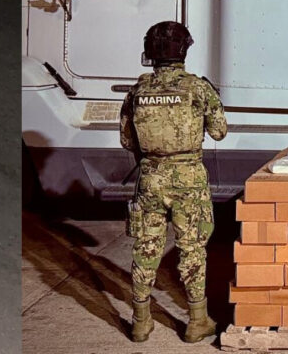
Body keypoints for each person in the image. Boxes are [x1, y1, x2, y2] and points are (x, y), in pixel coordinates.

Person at [119, 20, 226, 342]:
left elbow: (127, 140)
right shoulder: (198, 88)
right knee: (192, 249)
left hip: (150, 179)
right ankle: (197, 321)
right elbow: (219, 131)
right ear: (184, 50)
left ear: (150, 51)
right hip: (188, 179)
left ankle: (140, 322)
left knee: (146, 247)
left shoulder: (138, 91)